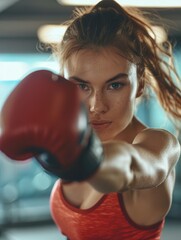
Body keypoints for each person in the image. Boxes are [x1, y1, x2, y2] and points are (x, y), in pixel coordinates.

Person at [0, 0, 181, 239]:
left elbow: (131, 167)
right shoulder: (73, 138)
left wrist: (85, 157)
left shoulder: (159, 144)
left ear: (140, 85)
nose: (97, 106)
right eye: (82, 86)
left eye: (115, 85)